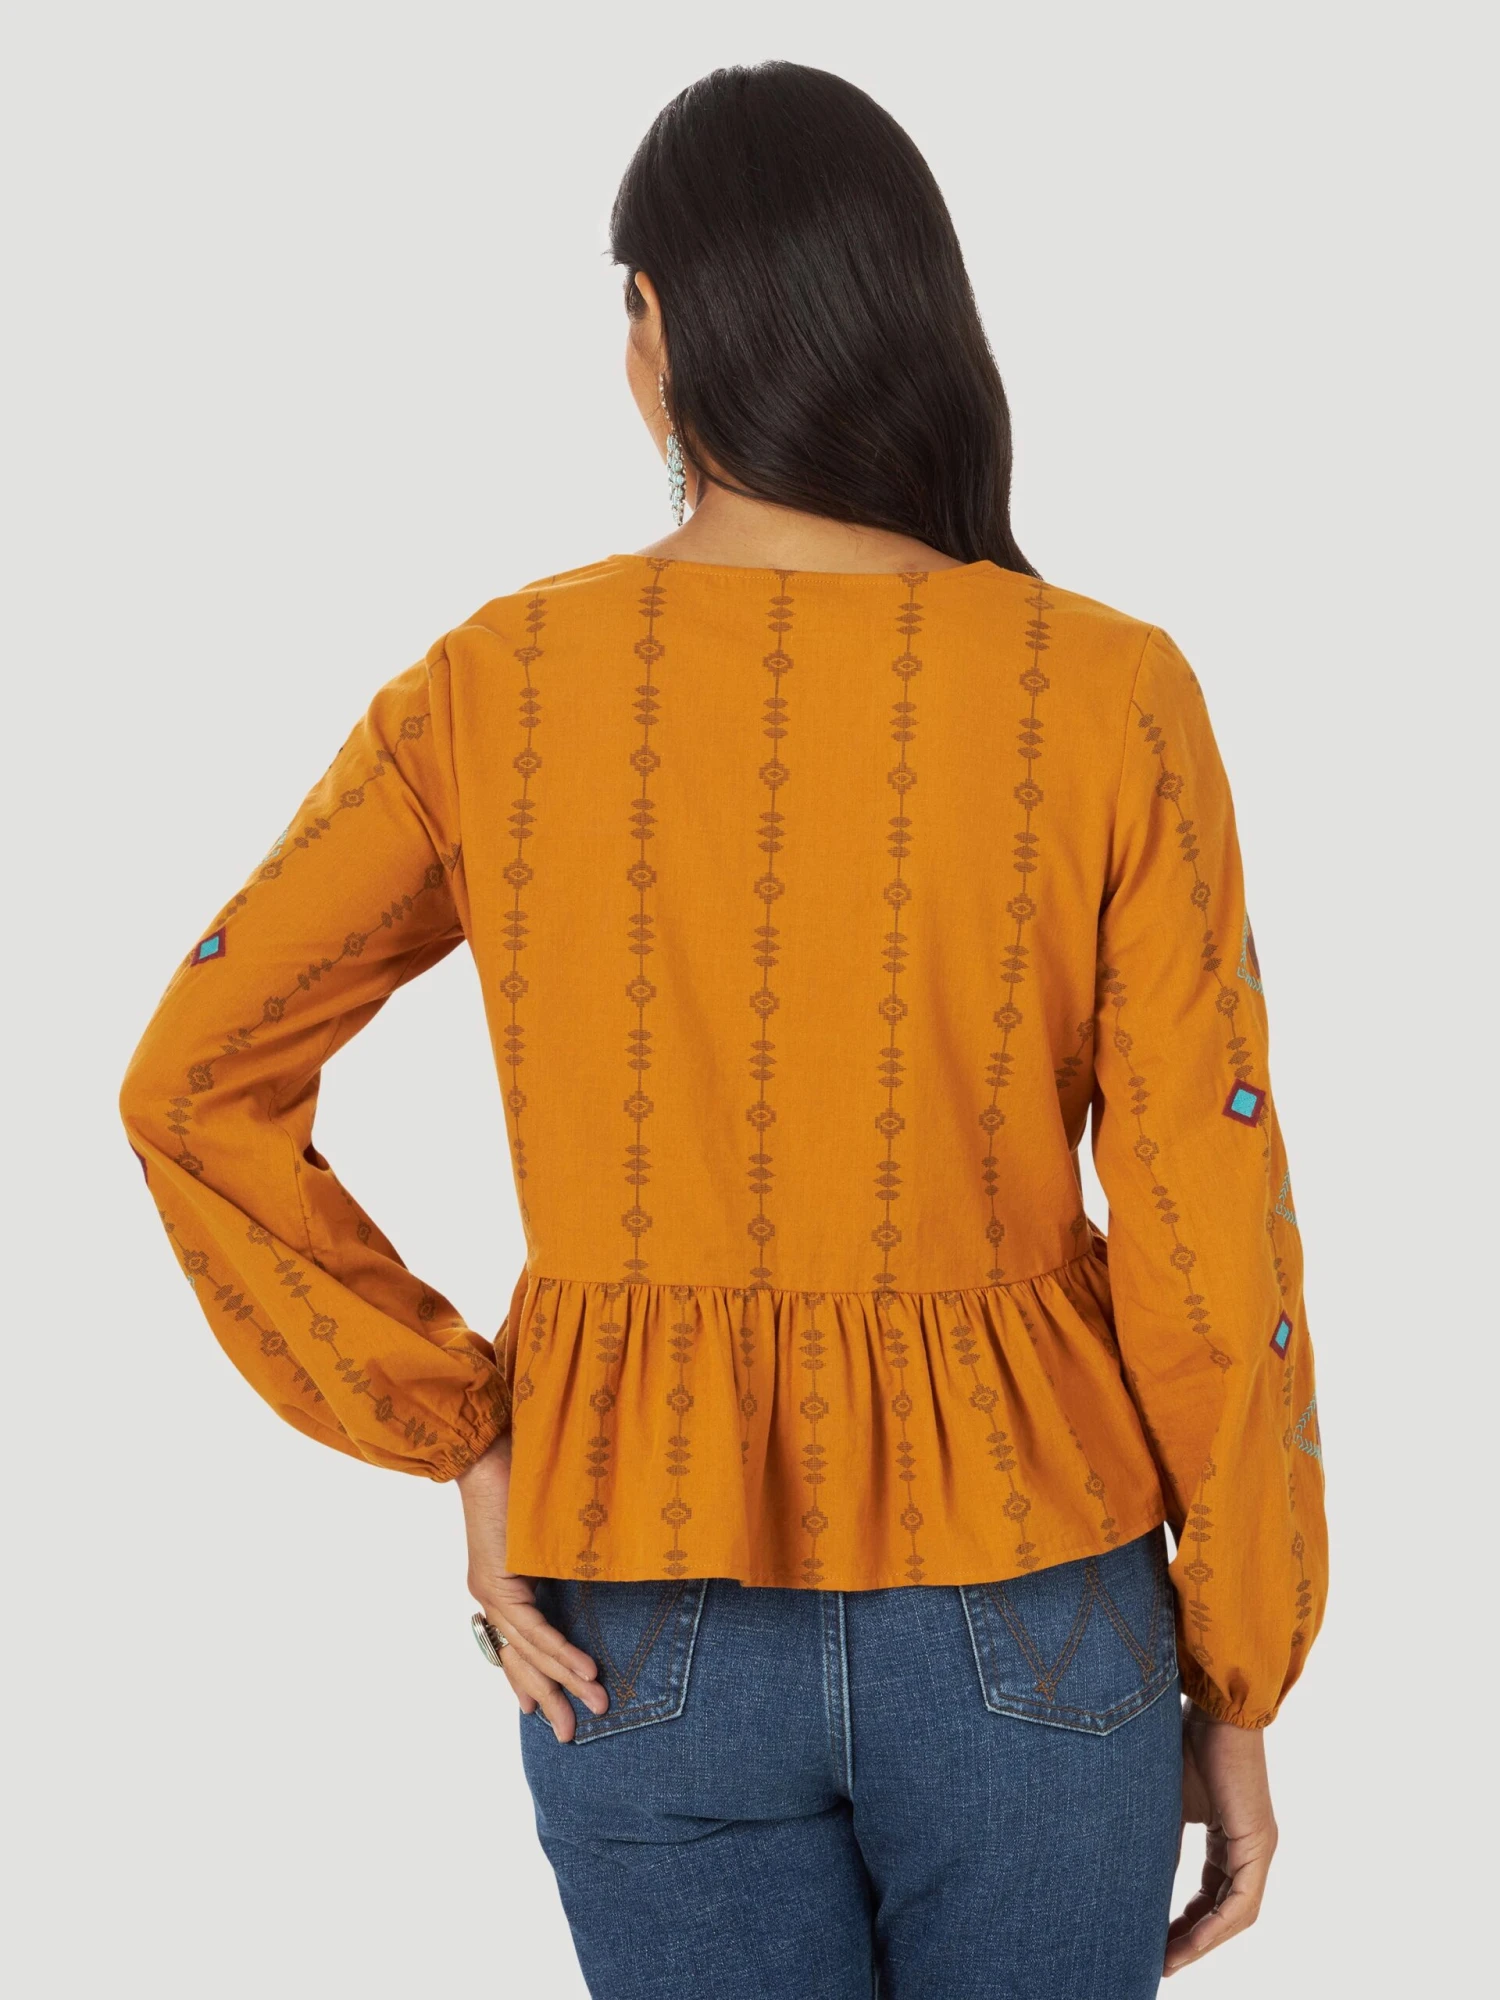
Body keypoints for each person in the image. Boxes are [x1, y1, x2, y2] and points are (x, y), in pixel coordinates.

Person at [119, 60, 1327, 2000]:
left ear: (660, 325)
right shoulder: (1103, 691)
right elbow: (1207, 1220)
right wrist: (1242, 1670)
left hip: (631, 1598)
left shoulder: (500, 684)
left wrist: (465, 1439)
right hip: (1038, 1596)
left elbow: (193, 1083)